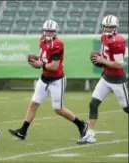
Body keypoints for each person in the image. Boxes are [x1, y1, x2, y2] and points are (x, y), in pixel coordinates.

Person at [8, 20, 88, 141]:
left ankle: (81, 124)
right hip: (44, 79)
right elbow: (44, 57)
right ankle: (23, 131)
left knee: (58, 109)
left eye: (51, 31)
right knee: (33, 104)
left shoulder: (58, 44)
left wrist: (41, 64)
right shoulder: (42, 40)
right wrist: (36, 60)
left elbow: (54, 66)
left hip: (57, 80)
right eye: (47, 31)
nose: (49, 33)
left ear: (56, 32)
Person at [78, 15, 128, 144]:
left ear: (115, 28)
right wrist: (99, 58)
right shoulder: (103, 37)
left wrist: (102, 60)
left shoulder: (118, 41)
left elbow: (119, 64)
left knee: (126, 108)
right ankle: (90, 134)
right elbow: (104, 57)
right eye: (106, 26)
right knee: (93, 104)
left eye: (111, 27)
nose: (108, 29)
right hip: (106, 77)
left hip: (117, 79)